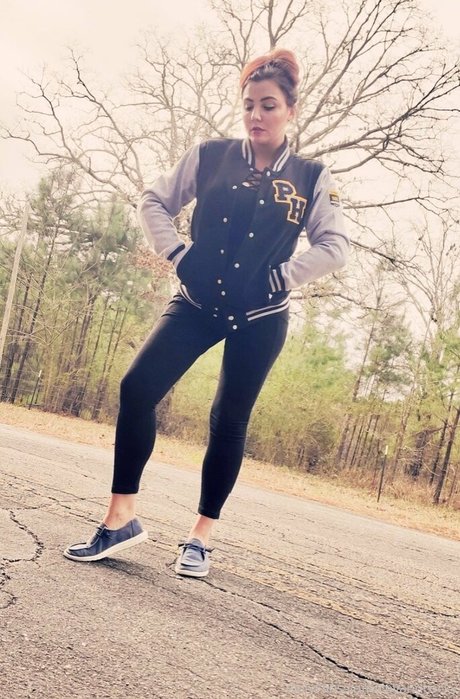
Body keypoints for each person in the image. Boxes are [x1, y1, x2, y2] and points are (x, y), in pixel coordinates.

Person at [64, 48, 349, 577]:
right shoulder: (210, 156)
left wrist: (281, 277)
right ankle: (120, 518)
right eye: (248, 105)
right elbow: (153, 201)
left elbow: (334, 246)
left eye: (268, 106)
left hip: (261, 316)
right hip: (196, 303)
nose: (256, 115)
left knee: (228, 420)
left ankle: (200, 537)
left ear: (291, 110)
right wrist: (177, 253)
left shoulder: (312, 177)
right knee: (137, 388)